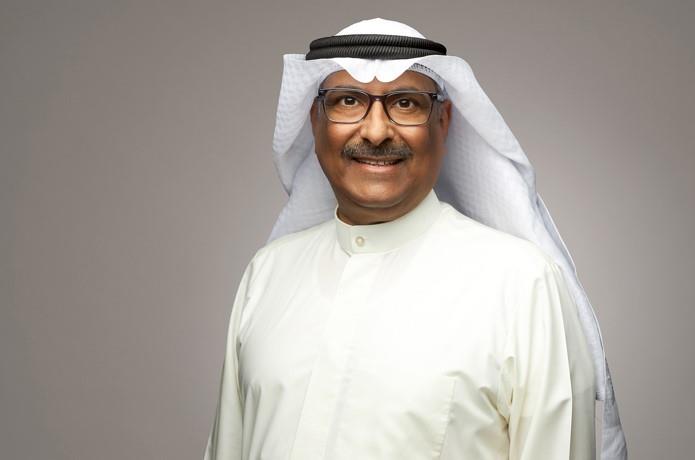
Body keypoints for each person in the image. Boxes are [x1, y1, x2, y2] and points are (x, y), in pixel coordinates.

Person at [204, 18, 627, 460]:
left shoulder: (522, 284)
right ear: (315, 121)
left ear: (443, 121)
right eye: (348, 101)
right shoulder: (267, 274)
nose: (375, 132)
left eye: (405, 104)